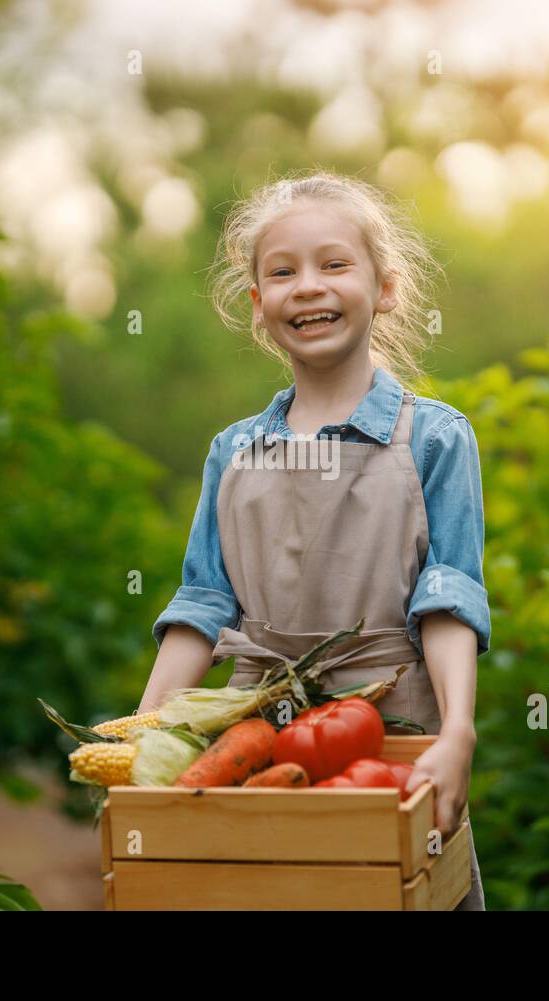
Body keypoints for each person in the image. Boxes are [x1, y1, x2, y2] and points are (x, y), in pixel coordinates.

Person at [139, 169, 489, 910]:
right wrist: (144, 736)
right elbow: (203, 604)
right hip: (255, 743)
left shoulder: (434, 438)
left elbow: (448, 601)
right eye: (282, 271)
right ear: (258, 305)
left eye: (334, 264)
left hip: (393, 736)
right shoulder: (232, 452)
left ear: (386, 288)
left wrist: (456, 731)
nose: (308, 286)